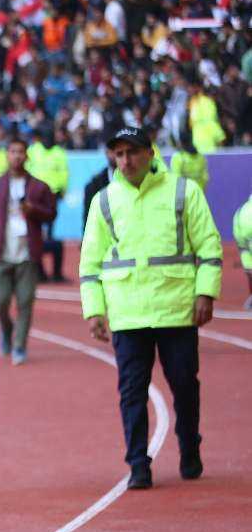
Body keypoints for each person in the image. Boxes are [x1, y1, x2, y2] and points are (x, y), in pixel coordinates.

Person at [80, 127, 223, 490]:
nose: (125, 161)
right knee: (132, 393)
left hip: (176, 310)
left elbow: (208, 245)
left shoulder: (183, 191)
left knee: (185, 388)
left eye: (132, 153)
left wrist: (206, 293)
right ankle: (138, 464)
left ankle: (190, 447)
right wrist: (94, 311)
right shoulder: (105, 200)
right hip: (128, 315)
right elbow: (90, 262)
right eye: (119, 154)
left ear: (150, 153)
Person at [0, 139, 56, 365]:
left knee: (25, 302)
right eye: (13, 151)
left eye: (21, 152)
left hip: (28, 255)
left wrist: (33, 210)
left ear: (27, 156)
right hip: (1, 253)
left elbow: (51, 213)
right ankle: (6, 330)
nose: (17, 156)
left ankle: (19, 346)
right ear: (7, 155)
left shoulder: (39, 187)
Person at [26, 129, 69, 282]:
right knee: (35, 228)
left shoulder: (59, 153)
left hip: (53, 193)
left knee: (49, 228)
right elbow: (27, 169)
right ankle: (40, 270)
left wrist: (63, 189)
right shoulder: (33, 150)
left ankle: (46, 267)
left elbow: (64, 173)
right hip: (36, 195)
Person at [82, 141, 117, 233]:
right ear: (106, 153)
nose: (116, 155)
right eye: (113, 151)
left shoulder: (136, 182)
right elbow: (88, 218)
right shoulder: (93, 185)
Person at [235, 190, 252, 310]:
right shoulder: (246, 214)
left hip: (243, 242)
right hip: (245, 241)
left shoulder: (243, 209)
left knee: (250, 271)